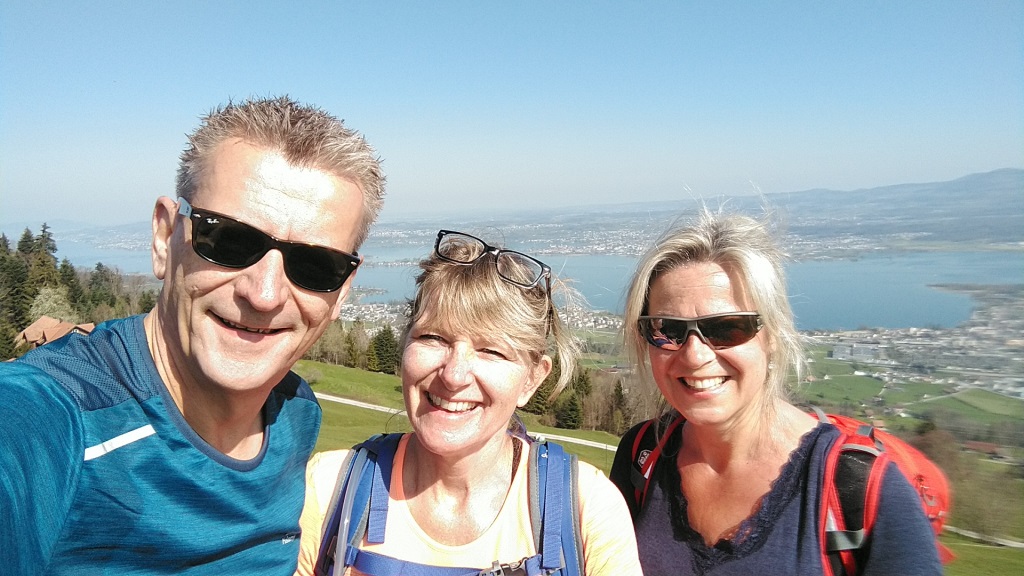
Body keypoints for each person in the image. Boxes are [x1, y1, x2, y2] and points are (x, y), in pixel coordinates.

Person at [0, 96, 386, 574]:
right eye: (229, 241)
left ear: (343, 289)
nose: (264, 294)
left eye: (315, 265)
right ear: (165, 237)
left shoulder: (295, 411)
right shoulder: (51, 420)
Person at [608, 210, 942, 575]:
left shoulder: (860, 489)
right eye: (667, 329)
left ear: (773, 336)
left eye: (726, 328)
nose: (694, 355)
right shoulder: (642, 455)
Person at [295, 230, 642, 576]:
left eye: (491, 350)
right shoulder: (327, 490)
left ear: (533, 379)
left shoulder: (585, 509)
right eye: (433, 337)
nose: (454, 375)